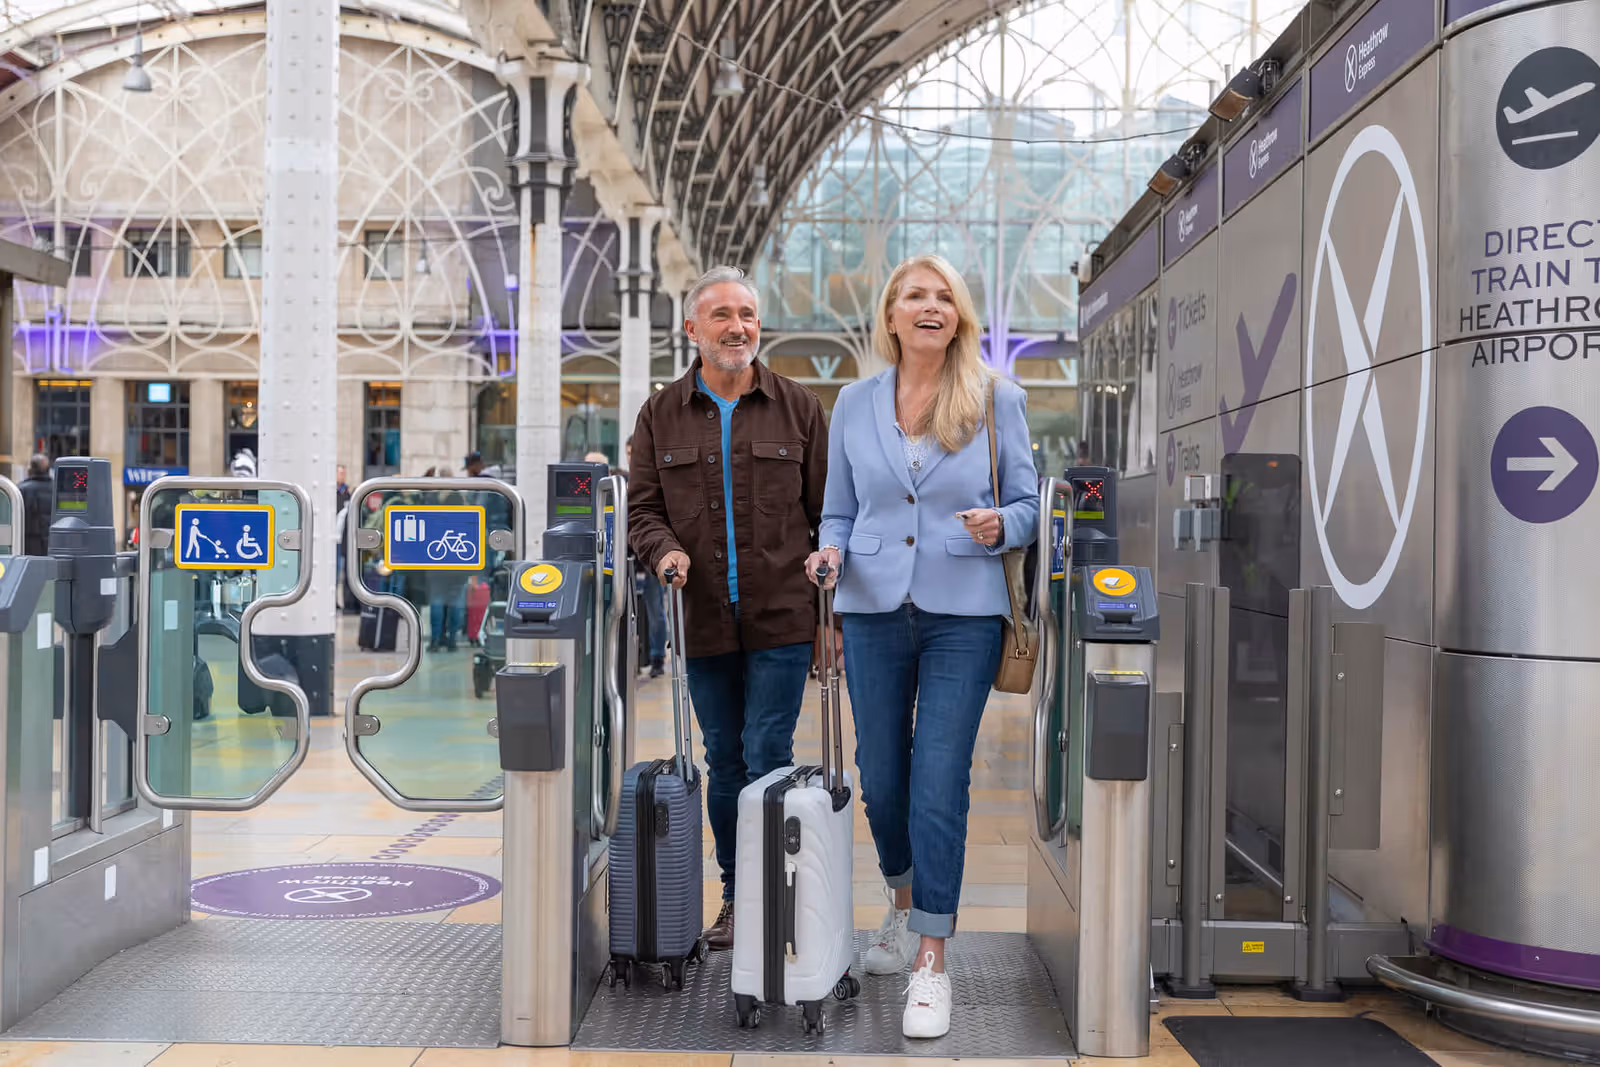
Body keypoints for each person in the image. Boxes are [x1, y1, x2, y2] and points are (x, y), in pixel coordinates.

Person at [807, 254, 1038, 1039]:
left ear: (960, 316)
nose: (930, 306)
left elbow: (1031, 503)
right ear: (892, 314)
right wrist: (830, 551)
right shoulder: (853, 402)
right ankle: (903, 905)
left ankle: (932, 957)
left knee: (939, 778)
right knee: (881, 777)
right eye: (915, 295)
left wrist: (1002, 523)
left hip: (962, 612)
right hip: (872, 605)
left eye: (944, 296)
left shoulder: (997, 398)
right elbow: (839, 509)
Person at [628, 265, 828, 951]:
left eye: (746, 314)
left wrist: (829, 616)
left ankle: (775, 897)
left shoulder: (798, 407)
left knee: (768, 751)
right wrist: (664, 552)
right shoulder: (659, 414)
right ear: (693, 329)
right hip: (702, 617)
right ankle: (739, 895)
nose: (737, 327)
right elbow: (643, 510)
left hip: (783, 616)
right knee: (723, 758)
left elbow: (828, 513)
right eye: (721, 315)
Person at [626, 435, 667, 678]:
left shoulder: (653, 480)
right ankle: (634, 658)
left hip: (651, 556)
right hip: (628, 556)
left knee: (655, 609)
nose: (631, 457)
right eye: (628, 453)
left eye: (634, 452)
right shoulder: (621, 482)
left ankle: (657, 657)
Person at [19, 454, 53, 556]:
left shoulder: (21, 489)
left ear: (30, 469)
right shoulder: (57, 488)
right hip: (51, 543)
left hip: (28, 545)